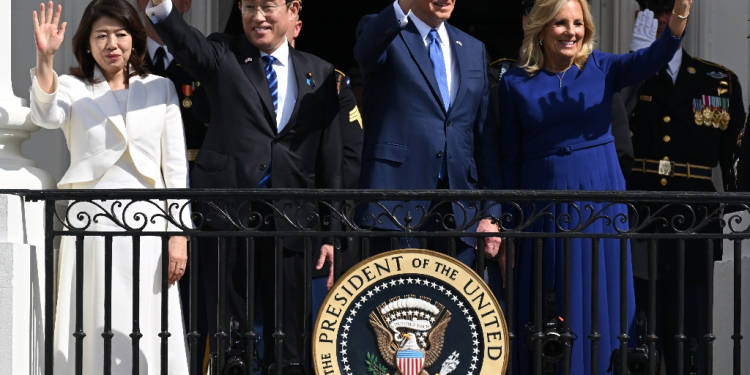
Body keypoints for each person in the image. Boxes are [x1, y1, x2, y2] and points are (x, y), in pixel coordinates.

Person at [144, 0, 342, 371]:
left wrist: (331, 233)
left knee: (289, 339)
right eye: (249, 7)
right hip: (228, 217)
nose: (258, 16)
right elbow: (186, 41)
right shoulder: (224, 54)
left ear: (294, 10)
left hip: (292, 221)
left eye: (267, 6)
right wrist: (162, 8)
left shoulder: (319, 70)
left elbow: (328, 159)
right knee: (230, 337)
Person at [496, 0, 691, 373]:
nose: (572, 31)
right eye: (561, 23)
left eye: (578, 23)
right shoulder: (513, 82)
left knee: (602, 297)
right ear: (539, 28)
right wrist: (510, 225)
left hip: (600, 196)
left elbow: (654, 56)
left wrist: (680, 13)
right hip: (545, 203)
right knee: (555, 295)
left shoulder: (601, 67)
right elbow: (510, 158)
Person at [29, 0, 190, 373]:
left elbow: (176, 168)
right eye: (100, 35)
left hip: (149, 223)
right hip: (91, 222)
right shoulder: (72, 87)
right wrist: (45, 59)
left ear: (135, 39)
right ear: (87, 43)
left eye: (120, 34)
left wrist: (178, 234)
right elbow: (46, 114)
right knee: (93, 311)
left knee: (147, 317)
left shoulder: (161, 88)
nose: (111, 44)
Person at [621, 0, 746, 373]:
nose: (661, 21)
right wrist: (636, 64)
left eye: (669, 12)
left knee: (691, 335)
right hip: (638, 219)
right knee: (636, 334)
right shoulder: (624, 75)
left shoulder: (717, 81)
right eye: (653, 12)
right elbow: (607, 125)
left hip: (694, 223)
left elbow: (733, 160)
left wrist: (740, 213)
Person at [353, 0, 503, 266]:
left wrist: (491, 213)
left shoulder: (472, 48)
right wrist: (403, 6)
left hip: (459, 211)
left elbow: (484, 139)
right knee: (396, 306)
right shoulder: (387, 30)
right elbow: (365, 51)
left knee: (452, 306)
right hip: (395, 205)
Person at [135, 0, 210, 368]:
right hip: (143, 195)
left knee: (194, 310)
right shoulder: (125, 56)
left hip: (199, 195)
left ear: (186, 4)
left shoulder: (204, 55)